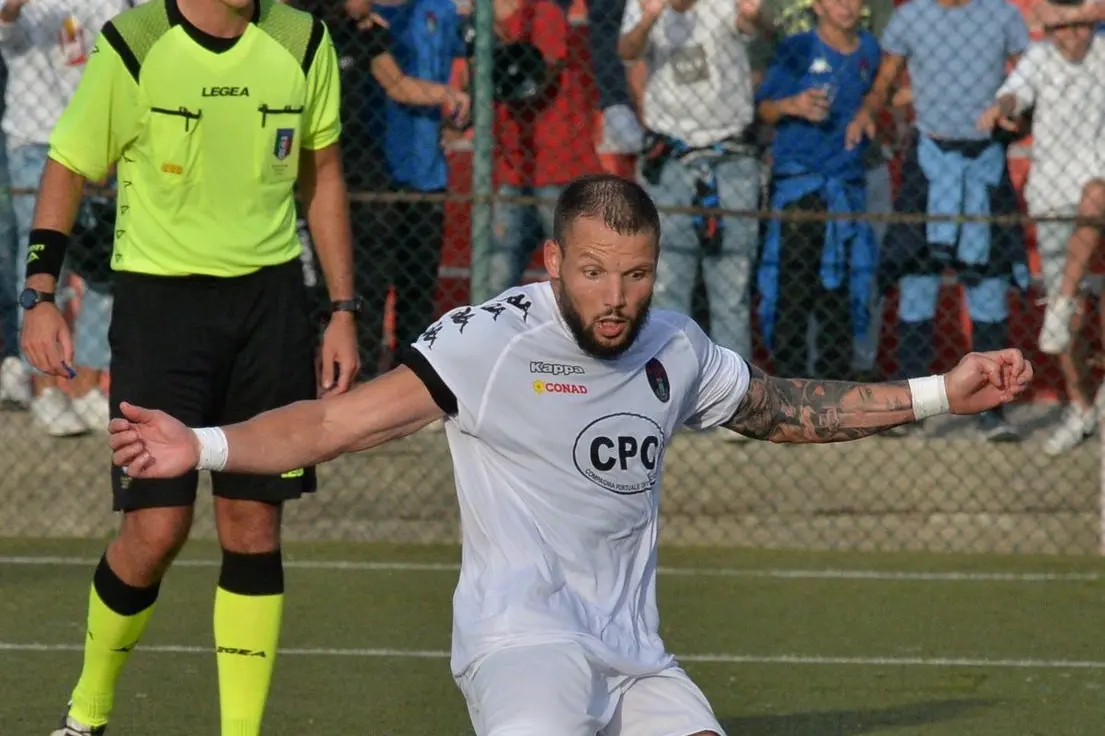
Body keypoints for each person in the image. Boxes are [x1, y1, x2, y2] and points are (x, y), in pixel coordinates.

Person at [108, 174, 1033, 736]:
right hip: (522, 641)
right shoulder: (489, 339)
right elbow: (330, 426)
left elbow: (779, 407)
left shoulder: (673, 345)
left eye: (634, 274)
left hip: (635, 654)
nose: (615, 296)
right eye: (593, 271)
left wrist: (940, 392)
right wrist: (203, 445)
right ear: (554, 259)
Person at [22, 1, 359, 734]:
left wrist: (341, 307)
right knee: (155, 531)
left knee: (251, 527)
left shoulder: (303, 42)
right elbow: (68, 165)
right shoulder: (134, 44)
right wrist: (39, 294)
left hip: (268, 307)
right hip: (159, 311)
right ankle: (87, 715)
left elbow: (322, 175)